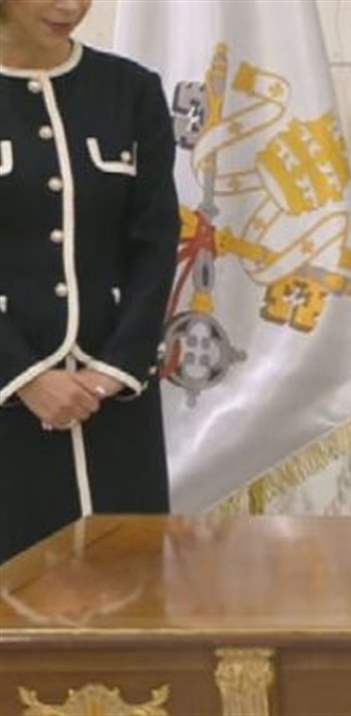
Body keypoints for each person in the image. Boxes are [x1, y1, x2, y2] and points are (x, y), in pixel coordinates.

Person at [0, 0, 178, 563]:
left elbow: (155, 241)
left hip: (113, 403)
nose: (70, 6)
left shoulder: (130, 91)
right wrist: (24, 376)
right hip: (9, 403)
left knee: (130, 583)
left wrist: (115, 370)